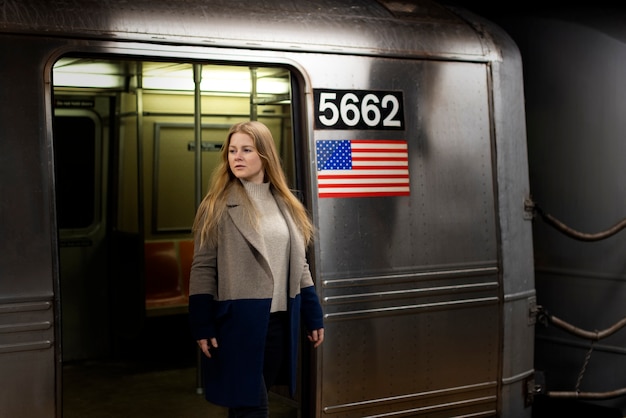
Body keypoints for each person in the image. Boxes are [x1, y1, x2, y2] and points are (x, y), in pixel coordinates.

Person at [188, 120, 325, 418]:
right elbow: (202, 268)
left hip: (278, 323)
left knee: (249, 403)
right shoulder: (215, 205)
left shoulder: (288, 205)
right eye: (232, 150)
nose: (236, 156)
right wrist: (202, 323)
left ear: (264, 155)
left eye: (246, 150)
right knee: (252, 406)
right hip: (237, 324)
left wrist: (313, 316)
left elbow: (299, 264)